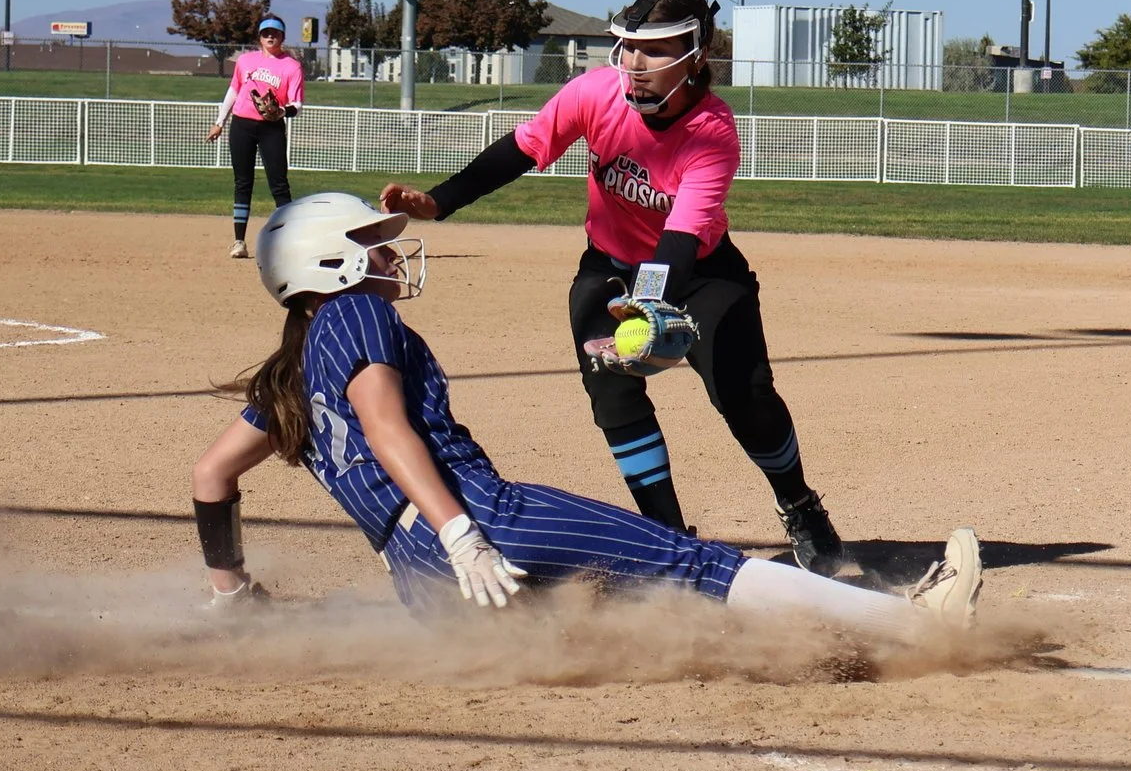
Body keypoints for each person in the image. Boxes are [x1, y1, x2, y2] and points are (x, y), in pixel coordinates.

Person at [189, 192, 981, 638]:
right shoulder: (358, 315)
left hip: (420, 583)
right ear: (334, 264)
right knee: (691, 564)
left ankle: (816, 645)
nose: (392, 255)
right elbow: (388, 427)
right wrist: (462, 532)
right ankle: (915, 625)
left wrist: (230, 593)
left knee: (628, 607)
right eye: (373, 243)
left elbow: (211, 473)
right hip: (482, 524)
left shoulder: (290, 369)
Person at [379, 0, 855, 577]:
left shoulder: (711, 130)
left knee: (744, 393)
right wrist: (440, 201)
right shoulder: (595, 93)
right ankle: (670, 543)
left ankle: (799, 503)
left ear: (696, 54)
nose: (635, 63)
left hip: (699, 270)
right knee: (613, 395)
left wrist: (648, 307)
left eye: (655, 50)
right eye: (628, 47)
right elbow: (524, 148)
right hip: (608, 263)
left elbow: (682, 235)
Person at [204, 15, 304, 260]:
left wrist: (281, 111)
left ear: (282, 37)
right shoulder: (246, 61)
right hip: (242, 125)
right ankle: (239, 241)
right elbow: (233, 91)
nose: (270, 37)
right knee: (242, 182)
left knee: (279, 184)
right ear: (259, 37)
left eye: (276, 33)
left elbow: (297, 104)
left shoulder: (291, 66)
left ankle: (288, 241)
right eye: (265, 33)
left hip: (271, 128)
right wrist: (219, 122)